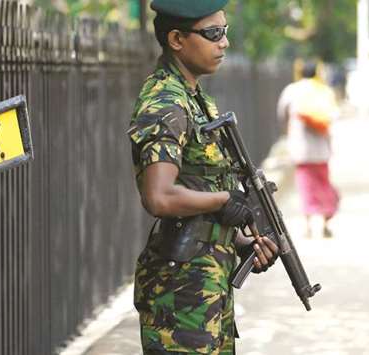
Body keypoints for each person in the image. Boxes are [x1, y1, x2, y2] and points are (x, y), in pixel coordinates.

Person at [127, 1, 278, 353]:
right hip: (179, 294)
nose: (223, 42)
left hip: (206, 282)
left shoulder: (196, 99)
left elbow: (199, 190)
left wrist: (239, 243)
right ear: (177, 39)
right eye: (213, 33)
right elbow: (159, 197)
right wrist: (224, 201)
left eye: (224, 31)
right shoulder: (166, 101)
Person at [277, 60, 340, 239]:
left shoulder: (292, 90)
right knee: (323, 184)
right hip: (321, 149)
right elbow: (333, 116)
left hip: (300, 148)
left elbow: (281, 114)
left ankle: (308, 226)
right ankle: (326, 223)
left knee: (306, 186)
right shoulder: (324, 90)